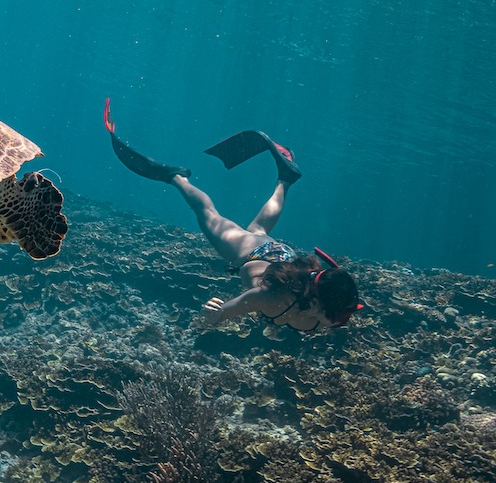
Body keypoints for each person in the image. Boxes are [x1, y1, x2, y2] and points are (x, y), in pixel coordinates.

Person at [104, 99, 364, 333]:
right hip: (252, 255)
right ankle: (176, 177)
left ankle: (285, 179)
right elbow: (220, 314)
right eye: (341, 317)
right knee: (208, 215)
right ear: (317, 302)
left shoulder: (316, 304)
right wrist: (213, 314)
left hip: (281, 256)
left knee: (259, 229)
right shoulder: (268, 297)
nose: (344, 322)